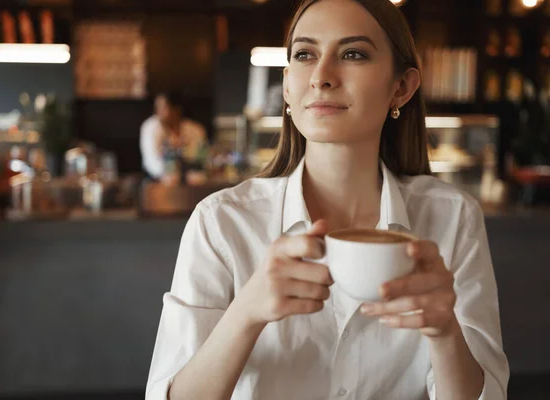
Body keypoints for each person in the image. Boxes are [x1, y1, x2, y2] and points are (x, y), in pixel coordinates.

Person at [146, 0, 509, 399]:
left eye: (353, 54)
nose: (321, 76)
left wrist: (444, 333)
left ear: (401, 87)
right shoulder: (220, 222)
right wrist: (245, 313)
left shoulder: (452, 218)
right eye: (305, 54)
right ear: (287, 85)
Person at [140, 91, 207, 181]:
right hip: (157, 179)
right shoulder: (151, 127)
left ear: (177, 109)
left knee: (197, 178)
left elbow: (201, 157)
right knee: (171, 178)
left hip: (192, 176)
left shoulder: (195, 129)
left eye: (163, 108)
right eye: (157, 108)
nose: (159, 112)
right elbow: (152, 163)